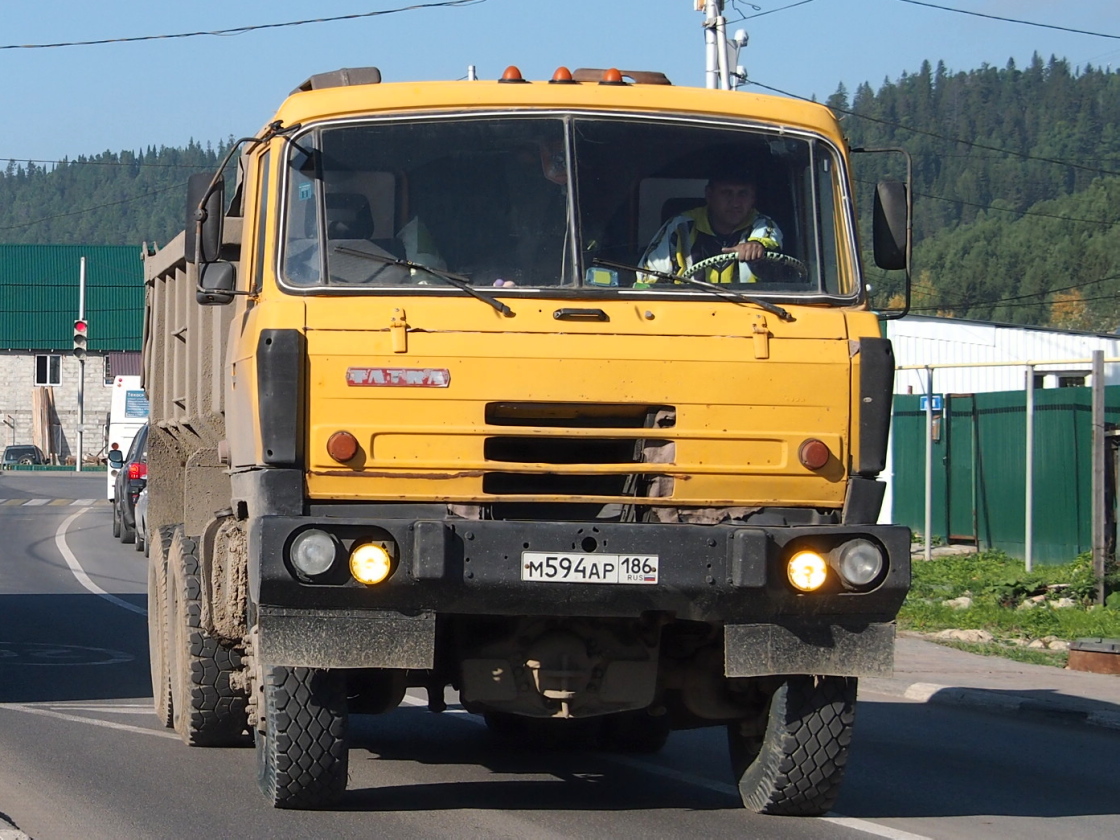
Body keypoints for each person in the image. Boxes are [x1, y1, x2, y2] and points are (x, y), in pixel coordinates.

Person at [638, 166, 783, 284]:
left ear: (753, 199)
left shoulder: (762, 224)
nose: (735, 203)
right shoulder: (680, 226)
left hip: (751, 310)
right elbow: (648, 278)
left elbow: (768, 239)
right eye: (727, 193)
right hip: (688, 310)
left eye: (743, 194)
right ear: (709, 195)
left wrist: (756, 246)